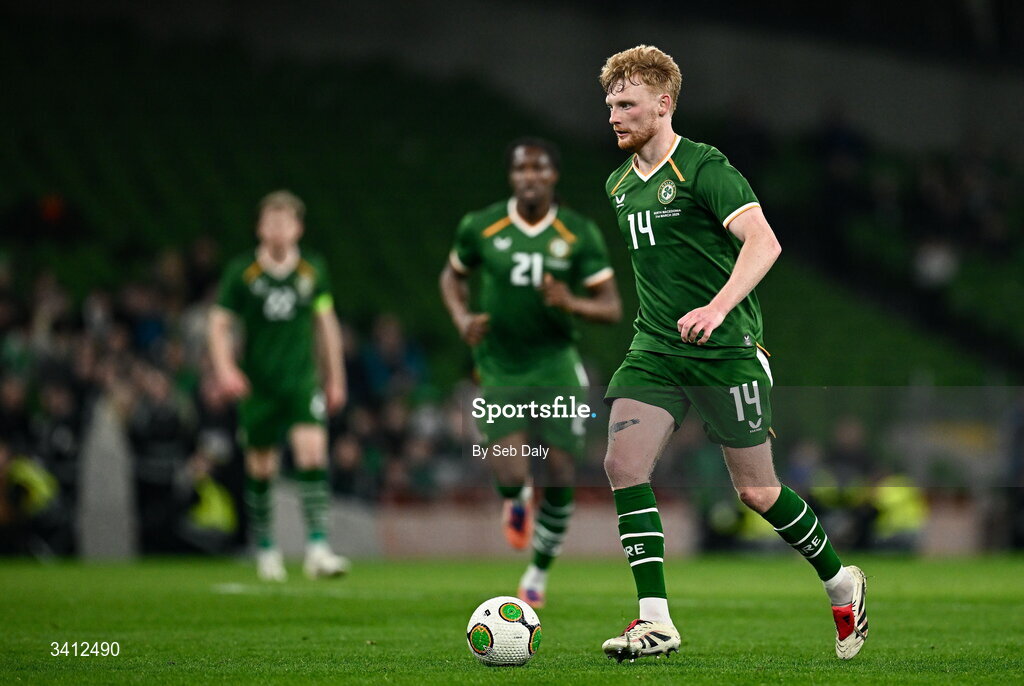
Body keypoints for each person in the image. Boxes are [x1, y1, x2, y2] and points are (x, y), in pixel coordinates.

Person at [596, 46, 868, 661]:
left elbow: (764, 242)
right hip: (657, 347)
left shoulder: (703, 167)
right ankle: (655, 620)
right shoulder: (617, 183)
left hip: (727, 350)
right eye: (611, 105)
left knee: (757, 493)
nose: (614, 116)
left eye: (627, 104)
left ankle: (839, 580)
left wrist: (718, 309)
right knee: (623, 463)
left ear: (664, 105)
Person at [440, 138, 621, 607]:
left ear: (553, 176)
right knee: (509, 465)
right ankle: (516, 496)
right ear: (511, 176)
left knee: (560, 468)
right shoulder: (480, 226)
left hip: (556, 362)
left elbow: (611, 306)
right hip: (499, 365)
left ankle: (537, 572)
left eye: (539, 168)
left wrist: (570, 301)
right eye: (521, 168)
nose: (529, 176)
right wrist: (461, 318)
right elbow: (452, 276)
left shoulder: (578, 233)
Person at [208, 190, 349, 581]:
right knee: (262, 467)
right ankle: (266, 548)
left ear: (298, 228)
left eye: (285, 221)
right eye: (271, 221)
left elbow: (326, 323)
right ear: (259, 227)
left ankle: (318, 548)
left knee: (312, 455)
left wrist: (335, 378)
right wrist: (225, 370)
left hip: (301, 380)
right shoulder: (243, 273)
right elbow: (219, 323)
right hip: (259, 385)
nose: (278, 228)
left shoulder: (312, 270)